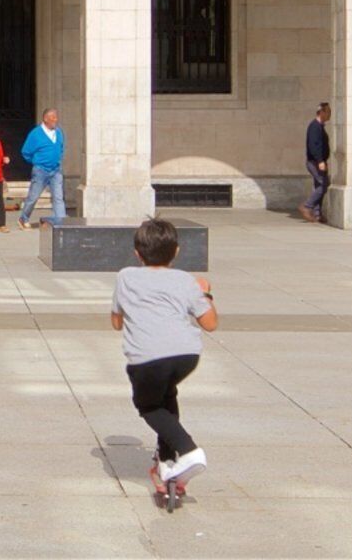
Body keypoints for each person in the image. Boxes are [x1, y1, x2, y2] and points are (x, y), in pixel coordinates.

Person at [111, 218, 219, 510]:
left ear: (137, 253)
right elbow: (210, 324)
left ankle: (188, 451)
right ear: (177, 252)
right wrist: (204, 291)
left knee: (148, 406)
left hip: (146, 358)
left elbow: (116, 321)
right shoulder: (187, 280)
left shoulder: (125, 276)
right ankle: (167, 458)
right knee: (167, 394)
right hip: (186, 355)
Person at [17, 109, 67, 227]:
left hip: (55, 170)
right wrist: (36, 162)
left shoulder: (59, 132)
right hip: (40, 170)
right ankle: (23, 218)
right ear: (45, 119)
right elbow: (26, 152)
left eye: (56, 117)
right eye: (53, 117)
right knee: (33, 197)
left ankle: (61, 223)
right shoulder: (36, 134)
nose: (56, 119)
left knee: (58, 198)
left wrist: (57, 159)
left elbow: (61, 148)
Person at [299, 101, 333, 223]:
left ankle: (317, 214)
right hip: (314, 162)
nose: (330, 115)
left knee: (320, 185)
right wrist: (320, 161)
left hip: (319, 161)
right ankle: (307, 206)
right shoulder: (315, 127)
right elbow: (314, 146)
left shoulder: (320, 127)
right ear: (321, 112)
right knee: (323, 184)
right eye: (328, 112)